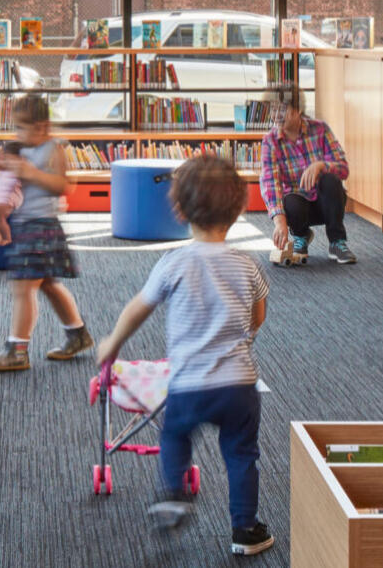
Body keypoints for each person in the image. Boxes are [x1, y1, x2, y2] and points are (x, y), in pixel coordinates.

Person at [91, 155, 275, 557]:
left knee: (174, 434)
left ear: (178, 210)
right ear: (240, 208)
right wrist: (248, 335)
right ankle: (245, 530)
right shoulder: (248, 264)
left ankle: (174, 492)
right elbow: (257, 314)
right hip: (240, 384)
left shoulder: (173, 263)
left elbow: (139, 307)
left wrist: (113, 342)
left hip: (190, 384)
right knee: (242, 455)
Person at [0, 95, 92, 371]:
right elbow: (10, 183)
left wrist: (29, 172)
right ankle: (77, 334)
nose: (18, 134)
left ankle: (16, 350)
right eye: (16, 128)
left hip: (43, 224)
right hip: (25, 222)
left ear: (42, 126)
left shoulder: (55, 148)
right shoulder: (22, 148)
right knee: (49, 284)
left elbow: (64, 186)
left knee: (23, 287)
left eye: (23, 128)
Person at [255, 86, 354, 267]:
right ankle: (300, 235)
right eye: (273, 109)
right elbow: (270, 182)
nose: (276, 115)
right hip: (297, 207)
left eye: (282, 109)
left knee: (331, 179)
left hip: (326, 204)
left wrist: (321, 165)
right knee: (290, 201)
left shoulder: (320, 129)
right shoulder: (270, 141)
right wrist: (279, 222)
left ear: (298, 109)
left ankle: (337, 242)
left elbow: (343, 168)